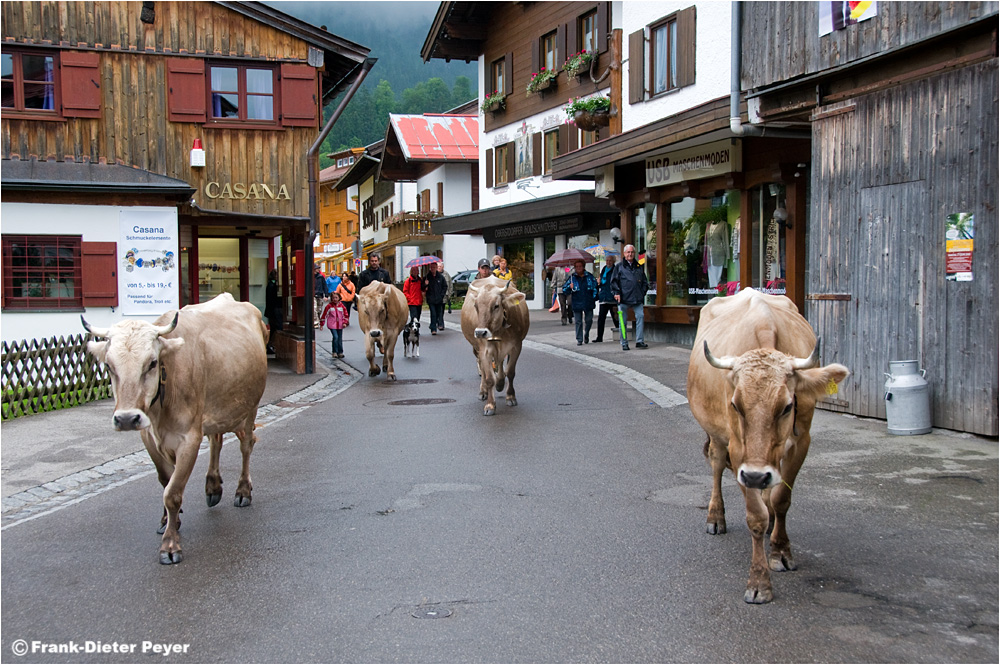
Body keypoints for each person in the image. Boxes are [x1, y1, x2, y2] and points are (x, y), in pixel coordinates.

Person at [611, 244, 650, 350]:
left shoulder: (638, 266)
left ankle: (639, 341)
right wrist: (616, 293)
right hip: (623, 298)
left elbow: (645, 282)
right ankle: (624, 343)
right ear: (624, 254)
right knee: (622, 322)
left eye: (632, 252)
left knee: (640, 317)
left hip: (637, 298)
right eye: (628, 252)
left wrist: (642, 292)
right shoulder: (619, 266)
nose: (630, 254)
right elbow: (614, 282)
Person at [562, 259, 599, 345]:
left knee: (589, 320)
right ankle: (579, 339)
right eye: (576, 267)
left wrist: (594, 298)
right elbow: (565, 290)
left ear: (583, 267)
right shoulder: (572, 278)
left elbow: (595, 288)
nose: (578, 268)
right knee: (578, 321)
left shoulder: (589, 276)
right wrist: (569, 287)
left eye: (580, 266)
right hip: (577, 302)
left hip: (588, 302)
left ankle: (586, 334)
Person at [595, 254, 619, 343]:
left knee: (615, 318)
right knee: (601, 319)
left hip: (612, 298)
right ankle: (599, 337)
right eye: (607, 260)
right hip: (604, 297)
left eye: (610, 261)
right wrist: (599, 282)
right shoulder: (604, 269)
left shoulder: (615, 270)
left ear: (613, 262)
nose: (608, 262)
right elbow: (602, 283)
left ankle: (620, 335)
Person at [319, 292, 349, 359]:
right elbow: (324, 315)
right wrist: (322, 324)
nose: (335, 299)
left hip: (340, 324)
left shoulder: (342, 306)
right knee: (335, 337)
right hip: (332, 324)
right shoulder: (329, 306)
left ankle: (340, 352)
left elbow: (345, 315)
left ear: (339, 298)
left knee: (339, 338)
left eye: (336, 298)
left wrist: (345, 322)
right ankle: (334, 351)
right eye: (333, 298)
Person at [422, 260, 448, 335]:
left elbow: (445, 286)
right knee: (433, 313)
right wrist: (426, 285)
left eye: (434, 267)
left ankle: (433, 324)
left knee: (438, 314)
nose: (433, 269)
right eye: (431, 267)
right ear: (430, 268)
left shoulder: (440, 277)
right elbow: (422, 287)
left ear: (436, 267)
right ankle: (433, 328)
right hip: (431, 299)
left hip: (439, 299)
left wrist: (441, 295)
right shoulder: (427, 277)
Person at [264, 269, 282, 355]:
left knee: (273, 329)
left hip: (271, 310)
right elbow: (274, 299)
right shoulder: (273, 285)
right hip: (274, 310)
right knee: (276, 328)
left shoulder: (270, 285)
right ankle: (270, 345)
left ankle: (270, 345)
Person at [313, 264, 329, 328]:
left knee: (319, 309)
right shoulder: (311, 277)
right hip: (313, 295)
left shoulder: (321, 277)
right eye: (317, 268)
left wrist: (326, 295)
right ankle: (315, 322)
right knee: (314, 308)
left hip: (320, 294)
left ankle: (317, 319)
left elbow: (324, 286)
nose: (318, 269)